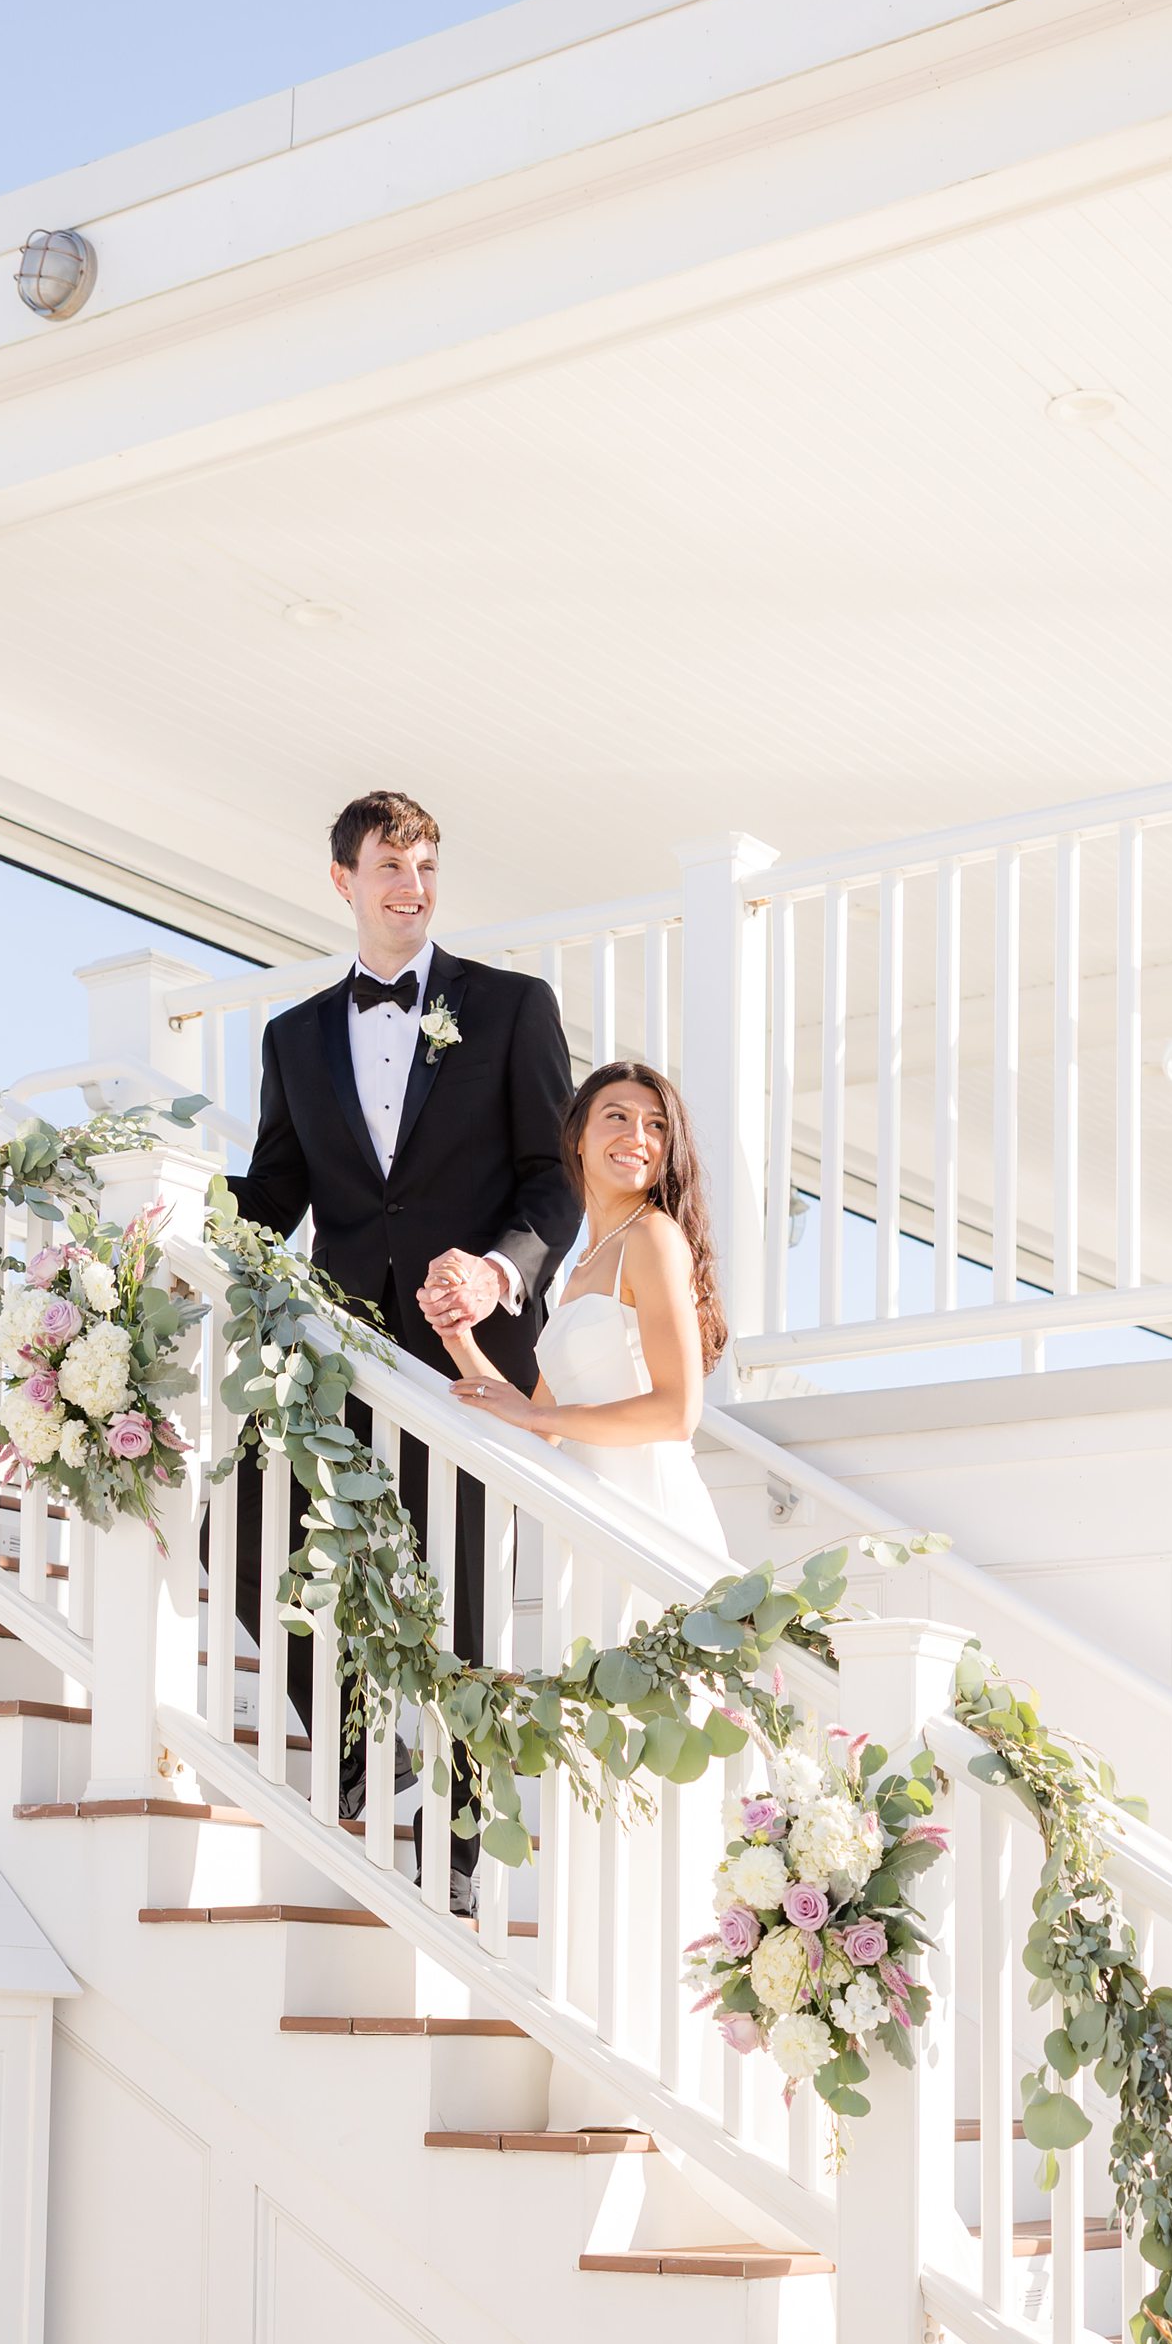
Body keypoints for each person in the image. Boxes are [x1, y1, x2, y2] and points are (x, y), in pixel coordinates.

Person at [225, 791, 578, 1897]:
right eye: (389, 866)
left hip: (465, 1353)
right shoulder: (294, 1038)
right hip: (336, 1347)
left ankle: (463, 1848)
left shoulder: (513, 1009)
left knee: (462, 1595)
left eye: (426, 866)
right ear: (343, 879)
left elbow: (554, 1177)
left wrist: (500, 1269)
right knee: (239, 1530)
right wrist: (180, 1215)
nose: (411, 887)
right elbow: (279, 1190)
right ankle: (353, 1751)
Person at [423, 1058, 732, 1567]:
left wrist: (533, 1411)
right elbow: (541, 1432)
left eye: (656, 1125)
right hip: (593, 1530)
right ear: (577, 1139)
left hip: (653, 1522)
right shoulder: (583, 1265)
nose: (638, 1135)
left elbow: (677, 1413)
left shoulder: (652, 1237)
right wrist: (458, 1337)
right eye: (617, 1116)